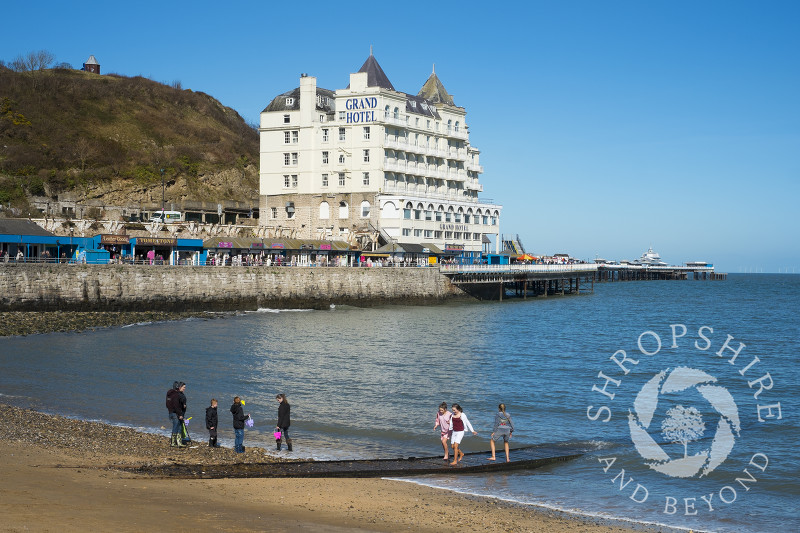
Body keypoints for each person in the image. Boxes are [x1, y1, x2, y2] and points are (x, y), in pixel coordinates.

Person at [165, 381, 186, 448]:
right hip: (175, 413)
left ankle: (178, 442)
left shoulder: (169, 394)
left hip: (171, 413)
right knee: (176, 427)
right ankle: (174, 442)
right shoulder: (176, 395)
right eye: (183, 387)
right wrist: (180, 414)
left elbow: (167, 404)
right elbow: (176, 406)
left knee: (179, 427)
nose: (184, 389)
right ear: (178, 387)